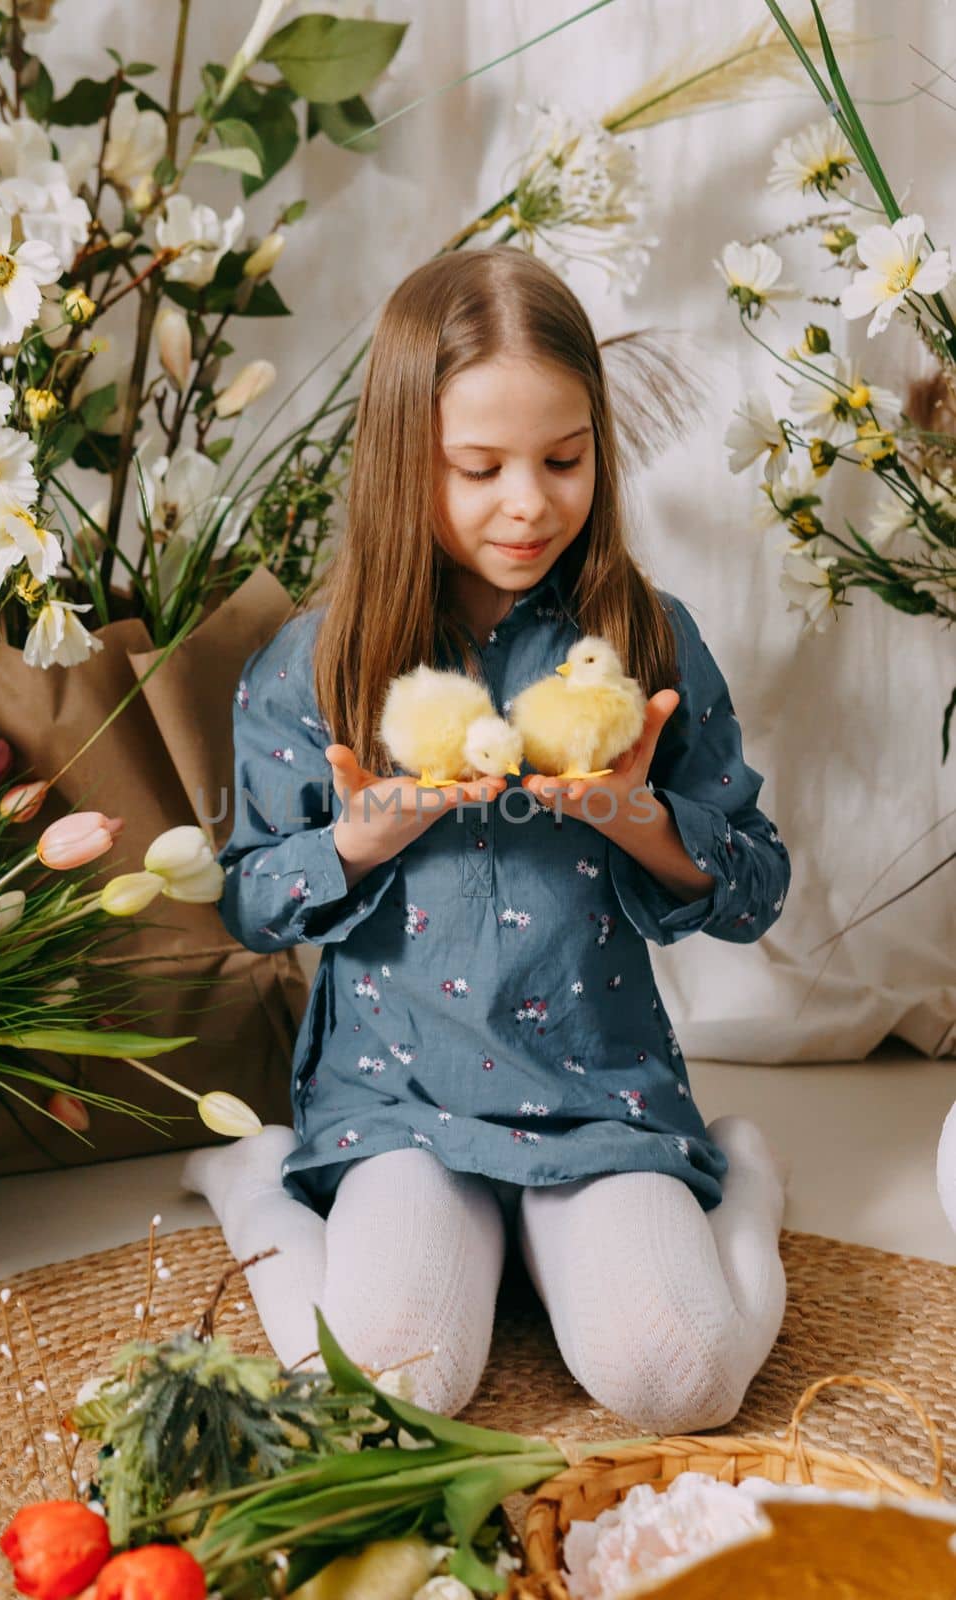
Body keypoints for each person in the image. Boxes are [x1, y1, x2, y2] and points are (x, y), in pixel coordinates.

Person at [184, 246, 792, 1434]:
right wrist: (354, 843)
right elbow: (247, 902)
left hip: (598, 1090)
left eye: (564, 460)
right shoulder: (314, 665)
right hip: (396, 1099)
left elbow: (756, 881)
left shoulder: (647, 643)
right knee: (382, 1391)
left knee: (688, 1381)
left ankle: (745, 1175)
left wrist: (643, 822)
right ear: (403, 460)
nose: (529, 501)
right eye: (480, 467)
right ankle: (255, 1180)